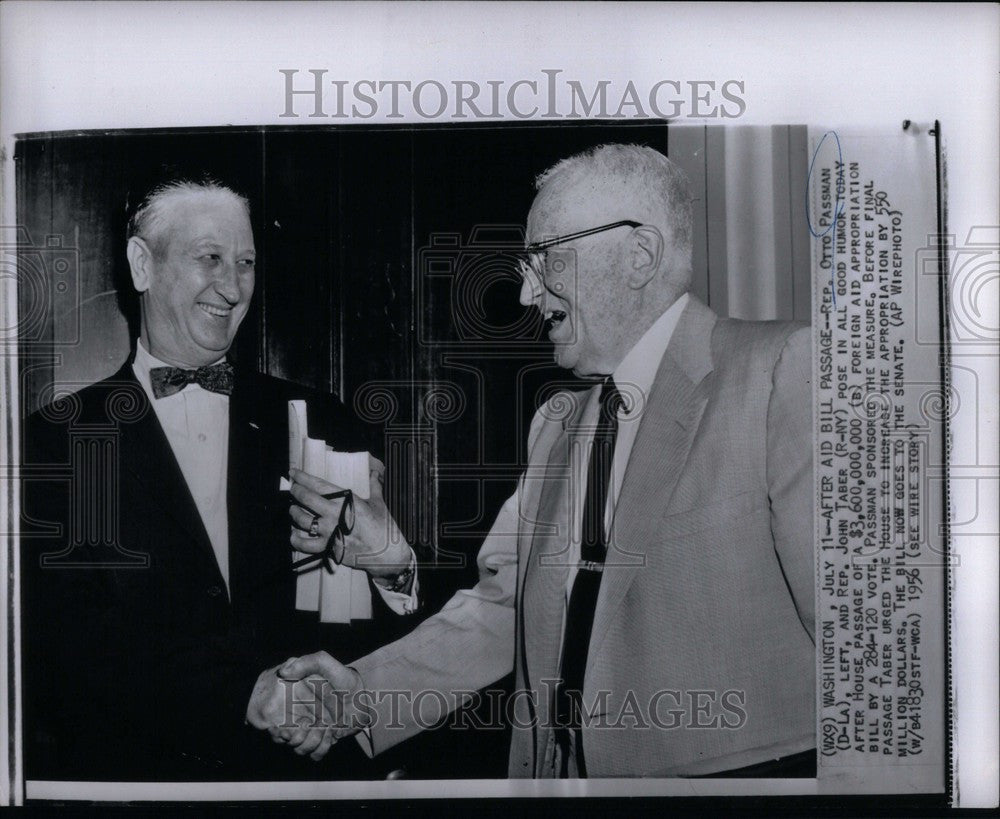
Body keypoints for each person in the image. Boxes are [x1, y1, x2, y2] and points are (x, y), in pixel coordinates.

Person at [248, 143, 815, 778]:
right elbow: (503, 610)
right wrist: (358, 695)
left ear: (640, 255)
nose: (524, 294)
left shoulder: (780, 373)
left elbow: (861, 658)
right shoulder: (556, 426)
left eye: (543, 260)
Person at [20, 177, 418, 780]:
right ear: (141, 264)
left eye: (246, 264)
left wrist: (396, 568)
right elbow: (61, 661)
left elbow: (375, 629)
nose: (232, 288)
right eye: (210, 258)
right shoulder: (55, 442)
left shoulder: (324, 419)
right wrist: (242, 696)